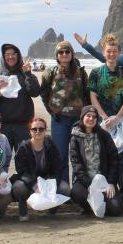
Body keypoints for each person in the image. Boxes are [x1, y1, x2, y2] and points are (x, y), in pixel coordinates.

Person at [40, 40, 89, 184]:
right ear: (57, 55)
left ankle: (78, 187)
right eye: (61, 52)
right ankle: (63, 188)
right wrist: (51, 111)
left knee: (79, 156)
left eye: (67, 51)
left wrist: (86, 116)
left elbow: (87, 94)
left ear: (72, 54)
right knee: (60, 155)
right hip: (59, 121)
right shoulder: (50, 73)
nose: (64, 54)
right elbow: (44, 93)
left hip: (78, 120)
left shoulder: (81, 72)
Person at [10, 117, 70, 222]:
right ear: (30, 131)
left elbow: (57, 168)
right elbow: (21, 171)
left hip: (47, 179)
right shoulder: (23, 147)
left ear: (45, 131)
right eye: (34, 129)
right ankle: (23, 211)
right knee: (18, 187)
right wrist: (34, 184)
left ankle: (51, 210)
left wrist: (50, 184)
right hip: (29, 180)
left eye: (41, 129)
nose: (38, 131)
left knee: (64, 188)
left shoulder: (50, 145)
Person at [69, 106, 123, 217]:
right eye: (88, 116)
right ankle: (87, 206)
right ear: (82, 117)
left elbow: (114, 160)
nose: (91, 119)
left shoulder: (104, 135)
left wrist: (111, 182)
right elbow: (77, 165)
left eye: (94, 117)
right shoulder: (75, 138)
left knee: (115, 210)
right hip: (86, 182)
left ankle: (101, 201)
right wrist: (89, 185)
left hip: (105, 181)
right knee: (76, 193)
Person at [0, 44, 40, 152]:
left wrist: (28, 74)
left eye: (13, 54)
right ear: (3, 57)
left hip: (23, 126)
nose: (10, 57)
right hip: (2, 126)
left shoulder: (25, 75)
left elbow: (35, 92)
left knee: (25, 161)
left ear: (18, 56)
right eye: (7, 54)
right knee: (0, 161)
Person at [87, 33, 123, 132]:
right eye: (108, 51)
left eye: (114, 51)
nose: (111, 54)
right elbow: (93, 96)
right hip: (101, 120)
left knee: (121, 147)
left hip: (122, 120)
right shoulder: (96, 72)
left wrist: (116, 118)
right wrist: (104, 117)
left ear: (119, 53)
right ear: (103, 53)